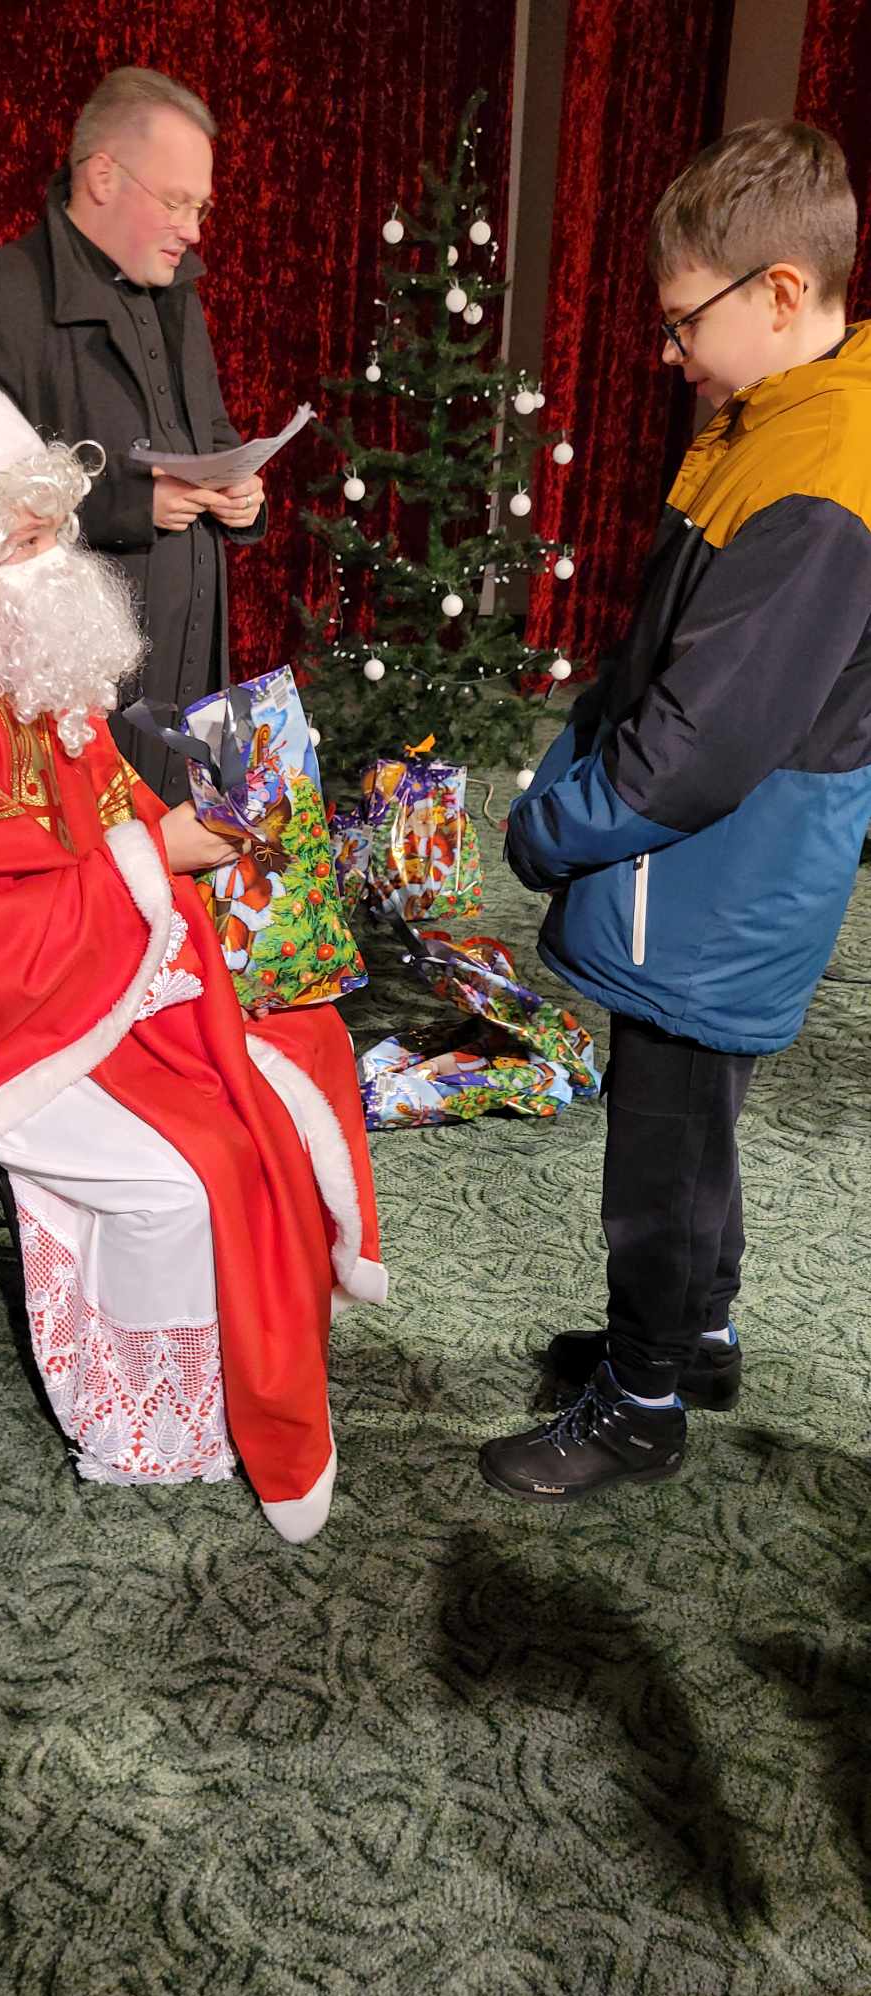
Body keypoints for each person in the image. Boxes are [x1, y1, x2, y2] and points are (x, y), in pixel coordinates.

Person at [0, 266, 385, 1542]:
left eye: (53, 530)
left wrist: (188, 844)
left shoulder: (4, 642)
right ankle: (142, 1427)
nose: (58, 560)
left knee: (293, 1050)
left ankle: (241, 1360)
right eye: (25, 539)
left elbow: (97, 805)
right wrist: (160, 865)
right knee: (182, 1173)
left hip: (65, 964)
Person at [477, 120, 871, 1503]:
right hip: (722, 871)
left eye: (684, 318)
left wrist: (546, 829)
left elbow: (696, 749)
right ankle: (696, 1338)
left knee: (660, 1142)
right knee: (695, 1121)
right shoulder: (784, 417)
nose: (668, 349)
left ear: (780, 290)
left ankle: (639, 1406)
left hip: (720, 875)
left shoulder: (821, 472)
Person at [0, 67, 267, 804]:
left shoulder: (178, 297)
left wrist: (241, 489)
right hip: (77, 693)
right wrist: (132, 504)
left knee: (181, 856)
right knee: (104, 860)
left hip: (191, 670)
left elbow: (210, 430)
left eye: (201, 207)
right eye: (176, 203)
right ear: (103, 177)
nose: (194, 229)